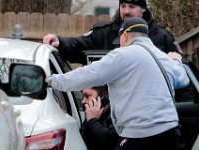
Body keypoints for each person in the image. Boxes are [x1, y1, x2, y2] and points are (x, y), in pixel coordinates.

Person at [45, 17, 190, 150]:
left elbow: (86, 75)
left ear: (125, 36)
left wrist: (53, 81)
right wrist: (176, 60)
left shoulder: (122, 55)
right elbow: (183, 79)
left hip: (140, 135)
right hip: (170, 133)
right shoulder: (162, 57)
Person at [43, 0, 182, 65]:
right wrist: (60, 42)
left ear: (143, 9)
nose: (126, 11)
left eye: (132, 6)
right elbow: (78, 45)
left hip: (147, 109)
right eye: (123, 6)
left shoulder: (162, 37)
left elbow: (179, 72)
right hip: (106, 110)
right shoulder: (104, 33)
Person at [80, 86, 119, 150]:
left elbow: (110, 141)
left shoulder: (116, 116)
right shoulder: (92, 116)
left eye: (87, 96)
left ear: (102, 98)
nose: (83, 101)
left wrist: (92, 120)